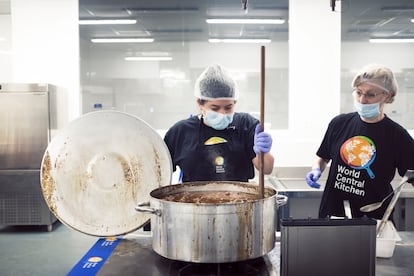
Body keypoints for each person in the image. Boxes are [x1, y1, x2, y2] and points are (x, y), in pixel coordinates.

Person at [306, 64, 414, 219]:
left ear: (387, 96)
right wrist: (316, 169)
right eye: (359, 93)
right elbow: (323, 156)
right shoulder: (339, 123)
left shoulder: (397, 135)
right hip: (333, 214)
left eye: (371, 94)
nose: (362, 100)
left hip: (374, 219)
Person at [164, 64, 274, 182]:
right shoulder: (180, 131)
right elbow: (161, 170)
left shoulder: (246, 125)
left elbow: (266, 169)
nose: (222, 113)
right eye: (215, 108)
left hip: (239, 198)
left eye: (228, 107)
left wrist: (264, 153)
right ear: (200, 103)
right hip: (191, 199)